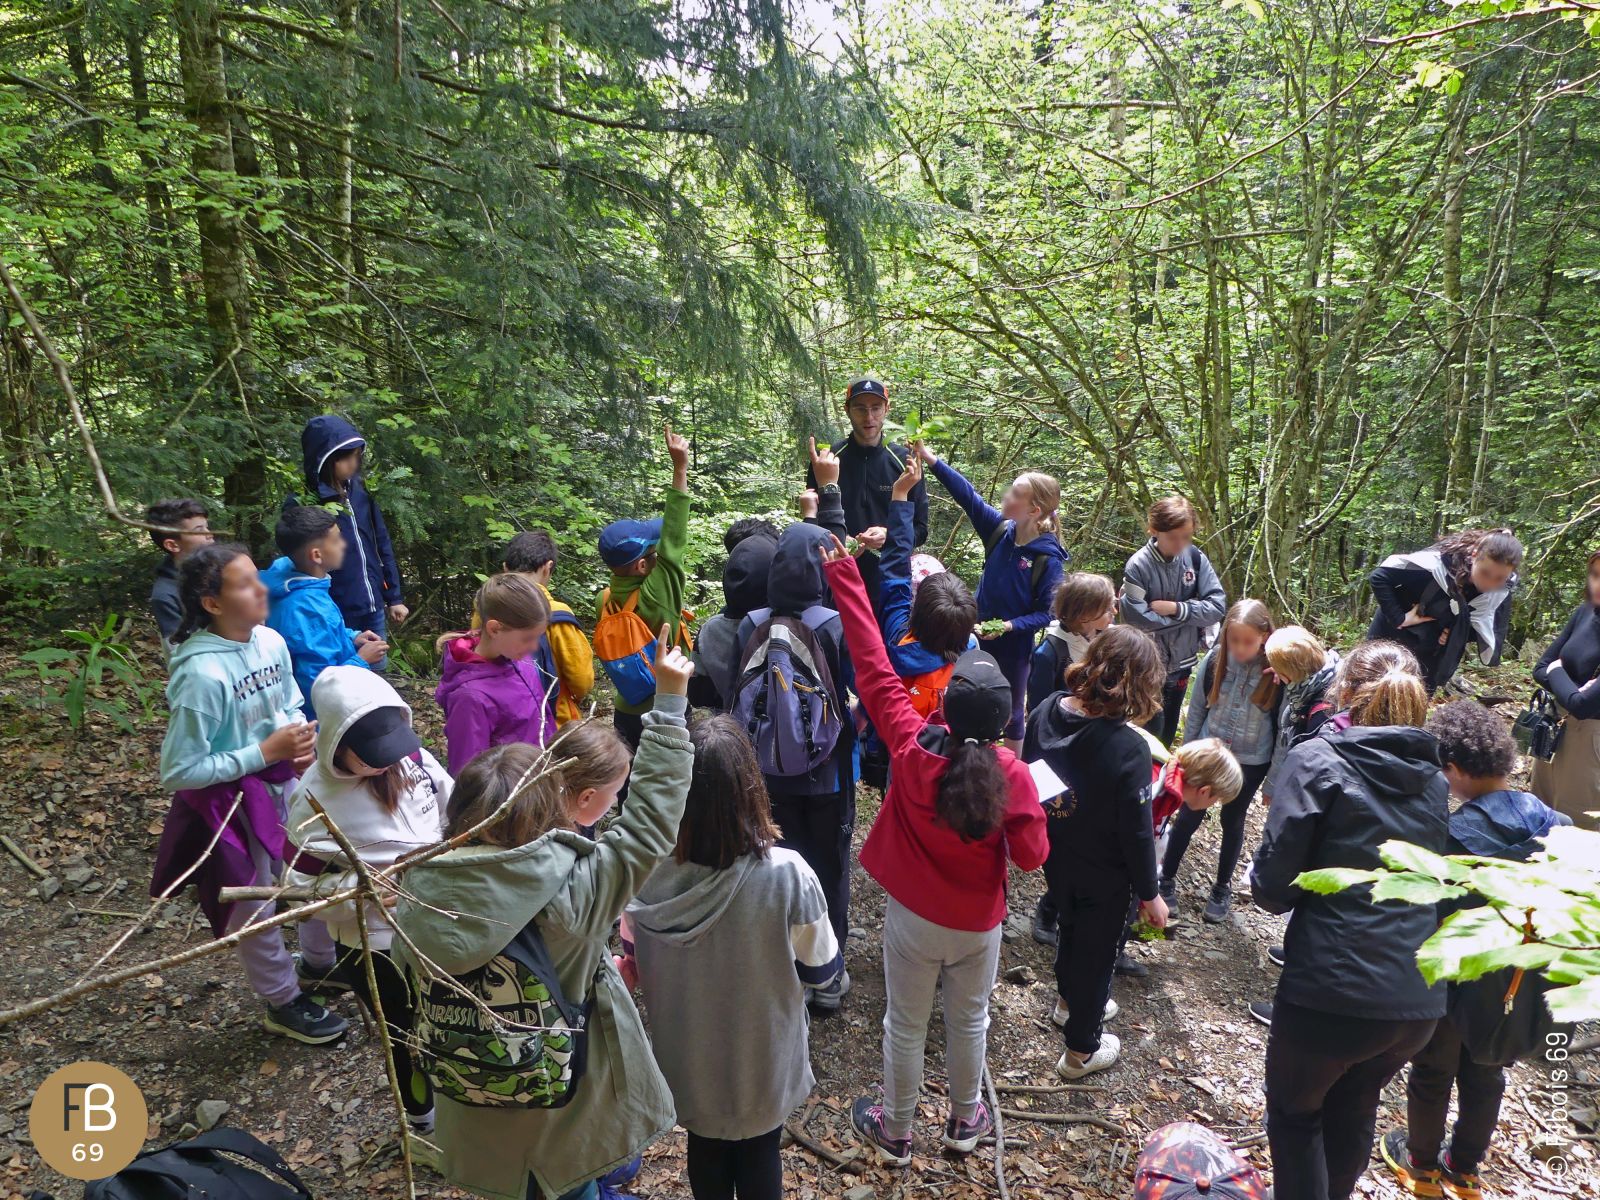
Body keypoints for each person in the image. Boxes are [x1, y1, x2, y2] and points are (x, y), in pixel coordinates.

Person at [395, 628, 693, 1200]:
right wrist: (670, 703)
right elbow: (651, 821)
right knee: (564, 1183)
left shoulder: (417, 890)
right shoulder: (575, 890)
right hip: (562, 1097)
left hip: (473, 1100)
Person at [819, 543, 1047, 1165]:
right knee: (970, 1021)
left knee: (905, 1023)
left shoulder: (911, 747)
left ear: (946, 703)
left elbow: (871, 660)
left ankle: (895, 1132)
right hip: (978, 924)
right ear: (1005, 721)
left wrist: (844, 571)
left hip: (914, 916)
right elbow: (1030, 858)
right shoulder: (1014, 776)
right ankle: (965, 1123)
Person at [1251, 641, 1450, 1200]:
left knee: (1295, 1116)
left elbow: (1273, 888)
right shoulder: (1434, 781)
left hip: (1332, 993)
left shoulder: (1319, 760)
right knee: (1354, 1109)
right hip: (1415, 1002)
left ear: (1344, 692)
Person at [623, 716, 842, 1200]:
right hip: (763, 1062)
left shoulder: (641, 875)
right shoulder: (788, 875)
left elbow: (634, 957)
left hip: (687, 1060)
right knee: (762, 1151)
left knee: (705, 1150)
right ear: (752, 788)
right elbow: (824, 971)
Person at [150, 543, 348, 1046]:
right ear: (212, 603)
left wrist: (299, 742)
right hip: (229, 803)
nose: (261, 588)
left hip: (283, 779)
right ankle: (282, 999)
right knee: (254, 898)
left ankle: (321, 965)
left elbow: (286, 702)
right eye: (244, 583)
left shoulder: (269, 640)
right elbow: (178, 770)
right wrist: (263, 753)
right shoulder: (199, 674)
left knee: (313, 866)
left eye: (256, 578)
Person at [1380, 701, 1570, 1200]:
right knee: (1488, 1075)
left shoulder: (1453, 837)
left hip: (1453, 984)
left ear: (1457, 771)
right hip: (1517, 984)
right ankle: (1464, 1170)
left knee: (1432, 1072)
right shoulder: (1561, 826)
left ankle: (1421, 1168)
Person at [284, 666, 449, 1145]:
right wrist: (360, 887)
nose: (385, 762)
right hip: (374, 942)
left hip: (438, 919)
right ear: (337, 745)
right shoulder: (314, 803)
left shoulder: (412, 758)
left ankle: (461, 1107)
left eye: (391, 749)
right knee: (405, 1036)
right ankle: (422, 1127)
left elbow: (448, 803)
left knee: (446, 1022)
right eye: (372, 755)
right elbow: (296, 890)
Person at [1024, 625, 1170, 1079]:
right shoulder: (1127, 748)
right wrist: (1151, 894)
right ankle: (1081, 1051)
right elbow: (1138, 833)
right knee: (1097, 952)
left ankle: (1068, 1003)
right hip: (1106, 874)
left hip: (1057, 851)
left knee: (1070, 926)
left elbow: (1032, 773)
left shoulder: (1047, 711)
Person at [732, 520, 857, 1010]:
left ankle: (781, 961)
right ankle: (827, 973)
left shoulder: (750, 622)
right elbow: (854, 693)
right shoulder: (834, 621)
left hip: (764, 774)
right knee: (829, 866)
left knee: (777, 864)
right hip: (827, 773)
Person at [916, 442, 1069, 753]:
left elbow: (1049, 612)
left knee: (1012, 714)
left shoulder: (1047, 560)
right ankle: (959, 759)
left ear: (1033, 510)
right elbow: (967, 496)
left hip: (1013, 647)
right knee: (960, 697)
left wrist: (1010, 626)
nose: (1005, 497)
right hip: (971, 638)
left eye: (1014, 494)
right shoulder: (999, 531)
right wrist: (932, 459)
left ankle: (1013, 773)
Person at [1159, 600, 1279, 925]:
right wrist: (1187, 751)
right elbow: (1197, 706)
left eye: (1248, 642)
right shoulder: (1216, 660)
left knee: (1233, 817)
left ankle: (1222, 886)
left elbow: (1283, 731)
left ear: (1266, 637)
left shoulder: (1277, 674)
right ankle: (1165, 877)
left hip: (1251, 759)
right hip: (1211, 750)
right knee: (1188, 813)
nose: (1240, 648)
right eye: (1234, 640)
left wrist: (1273, 781)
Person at [1248, 625, 1342, 1026]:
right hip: (1311, 799)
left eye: (1279, 669)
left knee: (1305, 885)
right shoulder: (1319, 685)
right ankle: (1293, 947)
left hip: (1316, 809)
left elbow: (1312, 761)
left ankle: (1292, 1000)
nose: (1276, 676)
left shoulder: (1321, 708)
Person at [597, 425, 692, 752]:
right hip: (664, 708)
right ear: (641, 566)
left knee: (628, 790)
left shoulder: (604, 600)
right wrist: (680, 469)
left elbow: (667, 545)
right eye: (652, 554)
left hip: (625, 711)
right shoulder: (657, 596)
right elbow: (675, 538)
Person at [804, 375, 928, 611]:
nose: (869, 417)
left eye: (876, 408)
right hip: (835, 583)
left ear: (887, 409)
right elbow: (810, 521)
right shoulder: (828, 460)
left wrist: (889, 535)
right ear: (847, 410)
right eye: (860, 409)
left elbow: (921, 529)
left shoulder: (905, 462)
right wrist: (838, 539)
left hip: (889, 585)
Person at [1120, 495, 1229, 745]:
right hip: (1146, 663)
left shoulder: (1195, 559)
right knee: (1145, 727)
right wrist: (1191, 617)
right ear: (1154, 530)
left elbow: (1217, 606)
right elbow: (1137, 619)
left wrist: (1175, 609)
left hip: (1182, 661)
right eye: (1173, 537)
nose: (1180, 544)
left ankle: (1161, 779)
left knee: (1168, 728)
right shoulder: (1138, 566)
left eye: (1187, 536)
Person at [262, 505, 387, 718]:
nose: (344, 545)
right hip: (323, 721)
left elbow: (315, 637)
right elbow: (320, 684)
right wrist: (362, 660)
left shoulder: (293, 578)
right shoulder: (306, 607)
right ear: (317, 555)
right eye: (337, 540)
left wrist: (352, 637)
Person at [880, 455, 978, 721]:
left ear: (917, 611)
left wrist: (900, 495)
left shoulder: (900, 641)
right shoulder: (972, 652)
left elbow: (893, 575)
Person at [1366, 528, 1522, 693]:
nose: (1489, 583)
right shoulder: (1435, 564)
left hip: (1430, 651)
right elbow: (1379, 577)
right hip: (1390, 636)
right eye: (1484, 573)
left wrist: (1454, 633)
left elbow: (1482, 626)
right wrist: (1399, 618)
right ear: (1474, 555)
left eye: (1499, 578)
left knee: (1415, 704)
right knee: (1369, 691)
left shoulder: (1499, 592)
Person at [296, 415, 408, 645]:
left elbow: (381, 543)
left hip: (372, 605)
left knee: (375, 673)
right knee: (344, 673)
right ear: (325, 459)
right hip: (334, 608)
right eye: (345, 459)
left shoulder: (361, 494)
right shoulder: (306, 503)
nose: (353, 465)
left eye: (356, 457)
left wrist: (393, 597)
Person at [436, 574, 555, 774]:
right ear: (494, 629)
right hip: (512, 796)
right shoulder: (470, 697)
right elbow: (468, 776)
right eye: (527, 638)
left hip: (541, 780)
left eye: (538, 637)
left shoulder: (520, 660)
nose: (534, 646)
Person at [1531, 548, 1600, 829]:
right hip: (1553, 726)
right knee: (1538, 810)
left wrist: (1557, 671)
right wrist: (1573, 692)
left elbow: (1584, 708)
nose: (1597, 584)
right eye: (1595, 575)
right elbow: (1540, 667)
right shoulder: (1585, 613)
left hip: (1589, 738)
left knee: (1577, 823)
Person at [503, 530, 595, 727]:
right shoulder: (557, 614)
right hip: (554, 722)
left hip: (502, 722)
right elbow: (581, 680)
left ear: (505, 568)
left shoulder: (484, 610)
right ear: (548, 567)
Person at [688, 525, 778, 712]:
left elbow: (698, 695)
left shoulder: (710, 630)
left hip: (728, 728)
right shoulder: (787, 626)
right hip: (779, 730)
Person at [1029, 572, 1118, 718]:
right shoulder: (1048, 653)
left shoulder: (1107, 636)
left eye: (1114, 604)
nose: (1115, 611)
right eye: (1107, 609)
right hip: (1064, 728)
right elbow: (1039, 709)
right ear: (1084, 616)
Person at [146, 498, 215, 657]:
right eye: (199, 530)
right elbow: (179, 651)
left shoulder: (220, 571)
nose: (209, 534)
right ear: (172, 545)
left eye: (207, 526)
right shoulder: (165, 595)